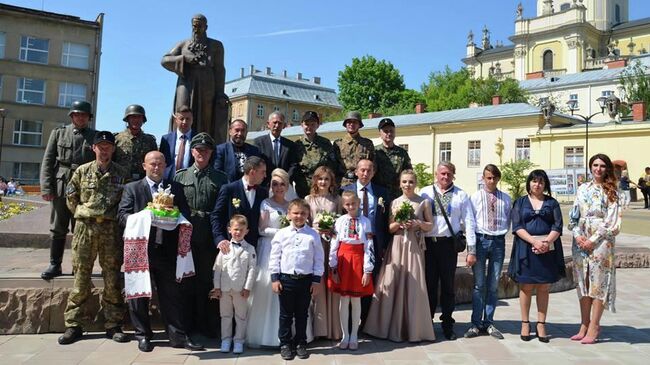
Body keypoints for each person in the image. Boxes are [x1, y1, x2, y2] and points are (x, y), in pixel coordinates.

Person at [117, 151, 203, 352]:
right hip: (142, 250)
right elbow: (122, 216)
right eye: (152, 164)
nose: (156, 168)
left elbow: (185, 214)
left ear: (165, 166)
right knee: (139, 295)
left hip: (167, 250)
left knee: (172, 295)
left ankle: (177, 336)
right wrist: (146, 216)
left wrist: (170, 217)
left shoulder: (176, 189)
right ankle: (143, 335)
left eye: (160, 164)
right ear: (144, 166)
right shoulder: (132, 189)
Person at [58, 131, 129, 345]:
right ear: (94, 148)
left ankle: (113, 324)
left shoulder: (121, 174)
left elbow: (125, 202)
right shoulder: (81, 171)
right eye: (101, 145)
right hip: (85, 229)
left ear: (113, 149)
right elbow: (71, 198)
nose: (104, 149)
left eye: (108, 145)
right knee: (81, 277)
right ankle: (74, 324)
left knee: (112, 278)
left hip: (110, 230)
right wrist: (83, 212)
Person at [364, 170, 436, 342]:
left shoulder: (423, 202)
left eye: (411, 182)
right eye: (404, 182)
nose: (407, 185)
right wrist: (399, 223)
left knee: (414, 285)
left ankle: (413, 329)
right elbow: (389, 228)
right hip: (396, 246)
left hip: (413, 246)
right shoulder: (395, 202)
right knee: (390, 282)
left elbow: (430, 226)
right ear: (399, 184)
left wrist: (418, 223)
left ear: (415, 183)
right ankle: (387, 327)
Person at [174, 133, 228, 338]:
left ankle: (206, 324)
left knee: (207, 281)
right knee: (186, 280)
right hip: (186, 235)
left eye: (206, 150)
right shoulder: (180, 176)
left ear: (211, 153)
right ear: (192, 151)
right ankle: (187, 324)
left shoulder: (220, 178)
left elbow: (223, 210)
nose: (201, 153)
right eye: (198, 149)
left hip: (208, 236)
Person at [568, 154, 622, 344]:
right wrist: (577, 235)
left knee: (598, 282)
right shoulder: (582, 188)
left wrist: (593, 239)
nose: (598, 169)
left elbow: (612, 221)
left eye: (602, 166)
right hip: (580, 240)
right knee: (582, 281)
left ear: (607, 168)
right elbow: (573, 215)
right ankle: (584, 323)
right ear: (590, 167)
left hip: (601, 242)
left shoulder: (613, 191)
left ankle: (594, 325)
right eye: (595, 165)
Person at [420, 161, 476, 340]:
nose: (445, 177)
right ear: (436, 174)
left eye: (449, 174)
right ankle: (426, 322)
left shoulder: (461, 195)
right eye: (442, 173)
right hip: (428, 245)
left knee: (448, 286)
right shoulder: (425, 192)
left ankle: (447, 323)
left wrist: (471, 250)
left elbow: (469, 222)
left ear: (453, 175)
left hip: (448, 246)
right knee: (428, 285)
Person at [40, 100, 96, 280]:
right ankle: (54, 264)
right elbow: (48, 161)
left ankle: (78, 266)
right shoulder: (58, 133)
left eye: (84, 115)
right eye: (77, 114)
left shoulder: (95, 136)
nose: (80, 117)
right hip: (61, 185)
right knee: (58, 227)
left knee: (81, 229)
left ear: (89, 117)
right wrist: (47, 187)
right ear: (72, 116)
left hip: (85, 187)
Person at [507, 169, 565, 343]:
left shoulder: (552, 203)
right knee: (526, 286)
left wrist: (546, 243)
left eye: (540, 181)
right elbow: (517, 226)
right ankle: (525, 323)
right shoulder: (520, 202)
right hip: (526, 248)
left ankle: (541, 323)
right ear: (529, 183)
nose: (537, 184)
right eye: (534, 181)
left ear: (545, 184)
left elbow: (558, 225)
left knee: (544, 287)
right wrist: (534, 242)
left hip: (548, 249)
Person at [270, 199, 324, 360]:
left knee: (302, 314)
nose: (299, 216)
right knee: (285, 315)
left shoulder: (313, 235)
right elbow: (275, 257)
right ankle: (285, 343)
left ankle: (301, 342)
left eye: (303, 213)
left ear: (308, 215)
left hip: (306, 280)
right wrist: (275, 278)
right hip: (286, 279)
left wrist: (316, 280)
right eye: (295, 213)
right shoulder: (282, 234)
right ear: (289, 214)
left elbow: (319, 259)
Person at [161, 14, 228, 144]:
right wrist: (184, 59)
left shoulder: (216, 46)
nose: (196, 29)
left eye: (199, 26)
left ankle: (203, 147)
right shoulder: (183, 44)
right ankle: (178, 146)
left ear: (206, 27)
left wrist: (220, 93)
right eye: (194, 26)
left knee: (206, 118)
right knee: (182, 112)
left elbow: (220, 70)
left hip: (207, 86)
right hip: (186, 83)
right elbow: (164, 60)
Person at [246, 168, 293, 348]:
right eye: (275, 184)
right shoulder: (266, 204)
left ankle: (288, 333)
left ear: (287, 186)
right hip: (269, 248)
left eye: (282, 184)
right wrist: (282, 231)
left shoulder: (291, 205)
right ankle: (266, 334)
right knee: (267, 288)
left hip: (287, 251)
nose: (278, 187)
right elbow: (261, 229)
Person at [465, 164, 512, 340]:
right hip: (480, 241)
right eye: (488, 177)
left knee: (493, 284)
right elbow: (470, 222)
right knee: (479, 285)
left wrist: (499, 234)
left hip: (498, 242)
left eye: (494, 177)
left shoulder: (506, 199)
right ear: (483, 179)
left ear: (498, 178)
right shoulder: (475, 197)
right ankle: (476, 323)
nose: (491, 181)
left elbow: (508, 221)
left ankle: (489, 322)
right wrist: (471, 248)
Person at [341, 159, 391, 320]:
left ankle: (366, 321)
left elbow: (384, 221)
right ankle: (349, 320)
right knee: (351, 278)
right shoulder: (344, 190)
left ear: (373, 173)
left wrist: (384, 244)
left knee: (369, 279)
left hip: (373, 242)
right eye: (362, 170)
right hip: (350, 244)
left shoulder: (381, 192)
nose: (365, 173)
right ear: (356, 171)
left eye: (369, 170)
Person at [327, 191, 374, 350]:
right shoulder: (339, 221)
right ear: (343, 205)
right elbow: (334, 244)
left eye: (353, 203)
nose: (350, 207)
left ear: (359, 203)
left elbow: (369, 246)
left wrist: (367, 270)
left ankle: (354, 335)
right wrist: (333, 266)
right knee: (344, 299)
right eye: (347, 204)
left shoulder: (366, 222)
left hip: (358, 260)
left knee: (356, 300)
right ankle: (345, 335)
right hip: (343, 261)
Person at [210, 215, 256, 354]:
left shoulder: (250, 249)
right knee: (225, 315)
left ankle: (239, 341)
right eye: (235, 229)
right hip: (224, 289)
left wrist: (247, 287)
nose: (238, 232)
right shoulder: (224, 247)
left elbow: (252, 269)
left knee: (241, 316)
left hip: (240, 289)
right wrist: (217, 287)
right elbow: (217, 268)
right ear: (229, 230)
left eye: (241, 230)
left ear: (246, 231)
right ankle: (226, 340)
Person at [305, 166, 342, 340]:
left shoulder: (337, 199)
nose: (323, 182)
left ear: (331, 181)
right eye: (320, 179)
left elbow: (342, 222)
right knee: (317, 283)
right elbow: (305, 224)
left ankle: (333, 328)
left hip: (332, 246)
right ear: (315, 180)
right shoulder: (308, 199)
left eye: (326, 179)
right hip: (315, 245)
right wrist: (317, 229)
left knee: (331, 281)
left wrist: (331, 229)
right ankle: (318, 328)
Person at [211, 156, 268, 250]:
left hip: (254, 248)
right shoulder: (229, 189)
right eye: (263, 172)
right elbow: (216, 215)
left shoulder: (263, 193)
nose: (265, 176)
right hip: (231, 247)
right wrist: (220, 238)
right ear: (252, 172)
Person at [294, 111, 337, 198]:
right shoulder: (296, 145)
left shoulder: (325, 143)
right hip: (302, 190)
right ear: (302, 125)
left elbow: (332, 166)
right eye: (307, 124)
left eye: (313, 124)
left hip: (322, 189)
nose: (309, 127)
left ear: (318, 125)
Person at [113, 104, 158, 181]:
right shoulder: (117, 139)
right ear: (127, 119)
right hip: (121, 182)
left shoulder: (150, 141)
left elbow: (155, 162)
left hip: (142, 182)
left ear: (143, 120)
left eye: (139, 117)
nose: (136, 120)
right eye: (133, 117)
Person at [253, 111, 298, 187]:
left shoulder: (290, 145)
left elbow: (293, 165)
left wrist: (285, 180)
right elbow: (256, 164)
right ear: (268, 124)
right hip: (264, 185)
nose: (277, 125)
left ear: (284, 126)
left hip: (283, 186)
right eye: (274, 122)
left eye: (280, 123)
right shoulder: (259, 142)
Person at [372, 118, 412, 200]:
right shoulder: (374, 152)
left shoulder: (402, 153)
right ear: (380, 133)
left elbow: (408, 174)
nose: (389, 133)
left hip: (397, 195)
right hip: (378, 194)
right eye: (386, 131)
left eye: (391, 131)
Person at [333, 111, 374, 187]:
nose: (351, 124)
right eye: (349, 122)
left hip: (361, 183)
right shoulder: (338, 144)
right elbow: (333, 166)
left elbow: (372, 164)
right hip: (341, 183)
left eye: (355, 122)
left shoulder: (367, 144)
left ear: (359, 125)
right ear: (345, 124)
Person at [160, 105, 197, 182]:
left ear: (192, 120)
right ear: (176, 120)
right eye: (181, 119)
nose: (184, 122)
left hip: (191, 181)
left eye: (188, 119)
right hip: (169, 181)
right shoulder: (166, 139)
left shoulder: (197, 138)